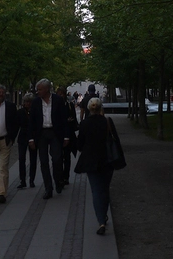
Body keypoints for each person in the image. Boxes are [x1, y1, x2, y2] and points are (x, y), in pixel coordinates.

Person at [74, 96, 118, 235]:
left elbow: (79, 145)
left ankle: (101, 221)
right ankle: (103, 214)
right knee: (104, 188)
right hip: (107, 160)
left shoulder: (85, 124)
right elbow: (114, 140)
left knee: (96, 190)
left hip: (91, 161)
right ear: (100, 108)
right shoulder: (107, 122)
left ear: (88, 109)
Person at [28, 78, 68, 199]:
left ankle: (58, 180)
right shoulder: (35, 102)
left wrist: (66, 136)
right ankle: (48, 188)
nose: (37, 91)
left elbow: (63, 119)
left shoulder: (58, 100)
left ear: (46, 89)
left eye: (39, 89)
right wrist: (31, 139)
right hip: (41, 134)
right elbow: (32, 122)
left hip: (55, 132)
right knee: (44, 161)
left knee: (57, 159)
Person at [56, 86, 79, 187]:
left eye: (62, 94)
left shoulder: (69, 105)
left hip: (69, 134)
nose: (61, 96)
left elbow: (74, 119)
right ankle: (60, 176)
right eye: (59, 94)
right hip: (58, 135)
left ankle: (66, 177)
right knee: (58, 157)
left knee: (67, 156)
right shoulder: (54, 107)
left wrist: (71, 121)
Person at [15, 93, 37, 189]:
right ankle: (22, 180)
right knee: (21, 159)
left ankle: (32, 180)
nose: (27, 104)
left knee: (33, 159)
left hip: (33, 136)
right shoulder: (20, 112)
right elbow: (16, 125)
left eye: (29, 102)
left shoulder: (35, 112)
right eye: (26, 102)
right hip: (23, 136)